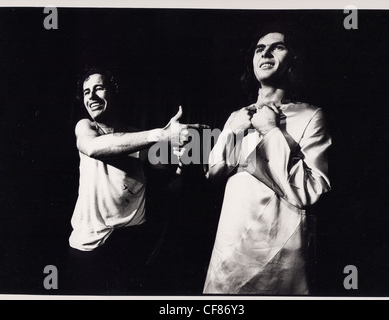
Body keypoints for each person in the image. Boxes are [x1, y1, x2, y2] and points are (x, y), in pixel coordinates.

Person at [203, 25, 332, 295]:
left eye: (278, 47)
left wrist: (271, 131)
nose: (267, 52)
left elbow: (312, 190)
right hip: (230, 246)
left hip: (279, 251)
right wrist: (234, 132)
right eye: (260, 49)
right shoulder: (236, 116)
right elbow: (213, 173)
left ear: (293, 61)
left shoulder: (311, 115)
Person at [65, 66, 206, 295]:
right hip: (88, 245)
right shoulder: (86, 127)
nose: (91, 97)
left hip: (131, 243)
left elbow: (172, 184)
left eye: (98, 88)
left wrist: (184, 162)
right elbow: (92, 148)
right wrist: (161, 135)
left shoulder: (137, 137)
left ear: (114, 91)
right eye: (86, 92)